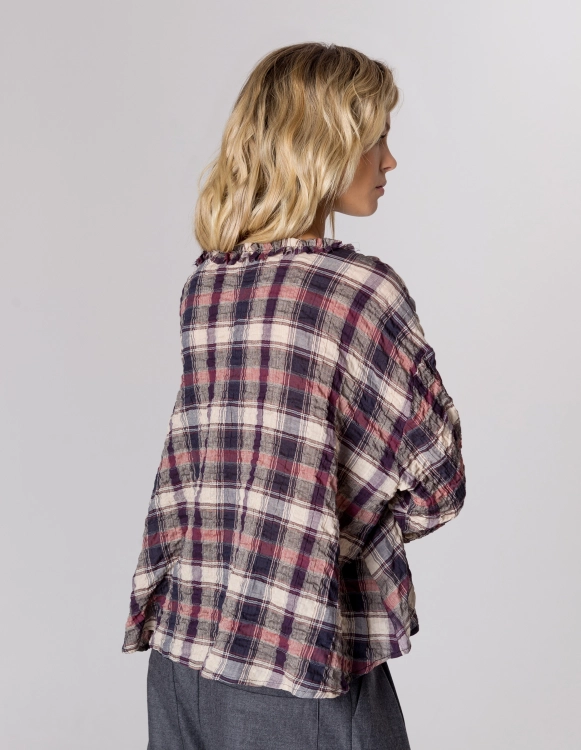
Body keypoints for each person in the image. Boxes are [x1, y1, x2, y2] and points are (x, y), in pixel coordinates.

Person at [121, 42, 467, 750]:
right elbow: (439, 485)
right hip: (297, 660)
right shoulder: (360, 292)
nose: (389, 161)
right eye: (377, 140)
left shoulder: (207, 283)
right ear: (326, 146)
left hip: (183, 646)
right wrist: (327, 533)